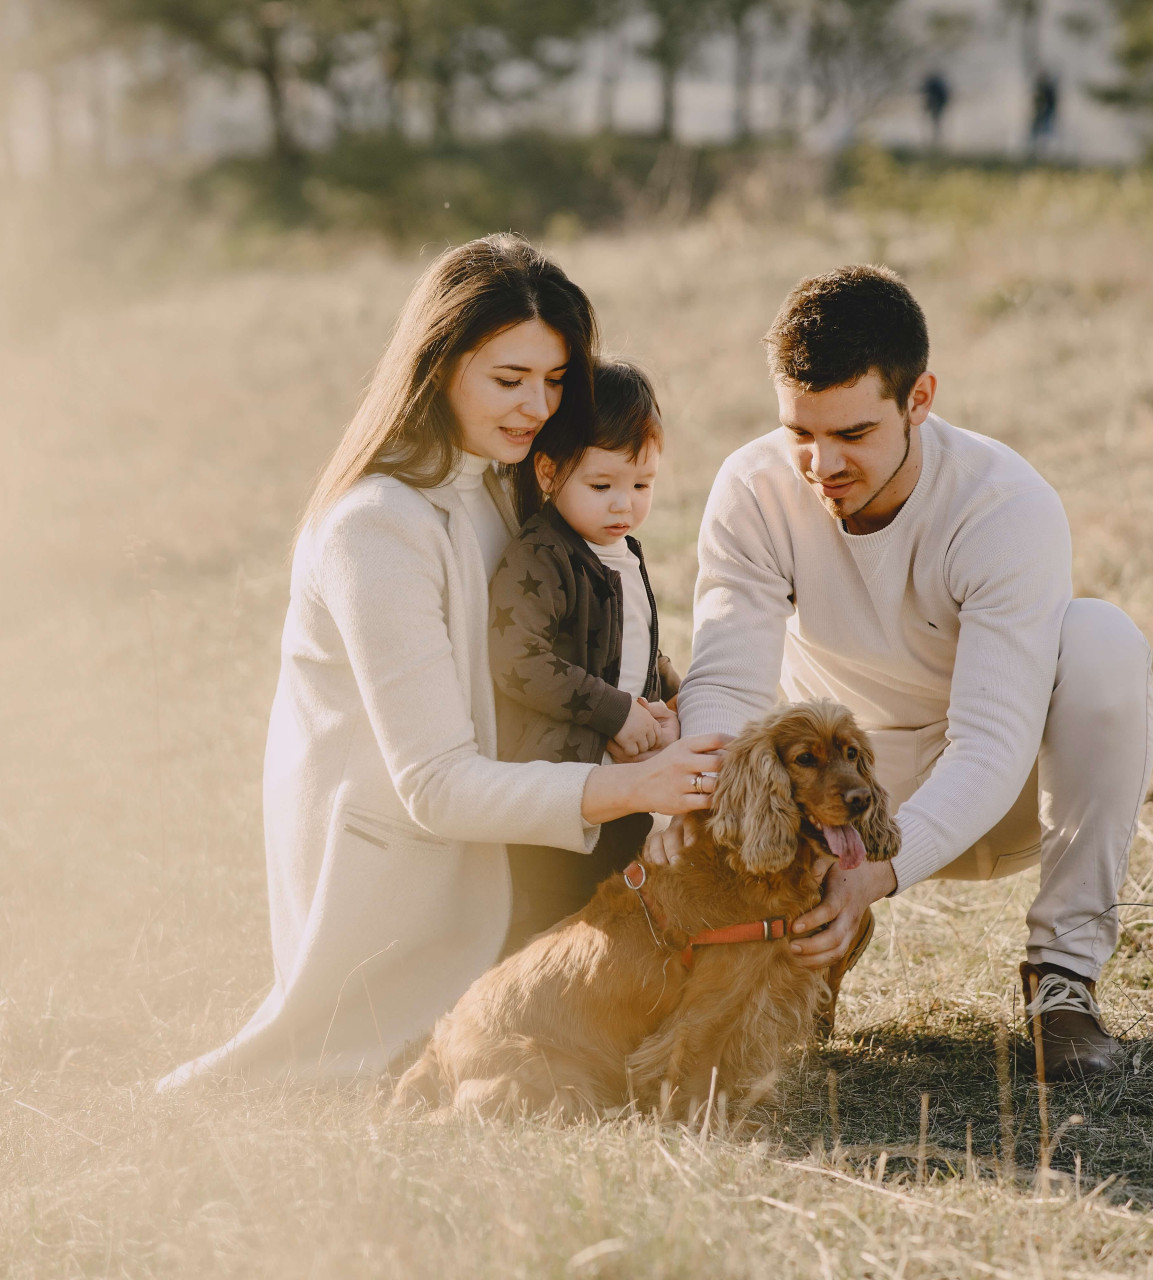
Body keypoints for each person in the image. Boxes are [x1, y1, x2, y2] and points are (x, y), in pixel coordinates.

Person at [156, 235, 726, 1091]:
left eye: (556, 379)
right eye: (509, 380)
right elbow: (435, 784)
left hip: (526, 847)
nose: (538, 405)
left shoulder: (509, 482)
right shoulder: (375, 526)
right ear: (439, 364)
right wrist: (638, 787)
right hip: (411, 888)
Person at [659, 265, 1153, 1079]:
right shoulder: (753, 488)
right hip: (834, 792)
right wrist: (729, 829)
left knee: (1104, 640)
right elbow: (726, 687)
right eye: (800, 433)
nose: (821, 465)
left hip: (1003, 796)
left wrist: (879, 874)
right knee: (720, 735)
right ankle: (794, 947)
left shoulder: (1001, 503)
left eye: (853, 435)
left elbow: (993, 744)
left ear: (919, 400)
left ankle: (1062, 984)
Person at [488, 360, 681, 955]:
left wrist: (672, 696)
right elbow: (518, 658)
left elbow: (632, 647)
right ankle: (521, 1027)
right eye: (602, 486)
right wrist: (617, 712)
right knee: (553, 922)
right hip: (558, 791)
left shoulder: (621, 548)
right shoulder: (542, 557)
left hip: (623, 783)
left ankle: (611, 1017)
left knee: (621, 908)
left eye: (642, 485)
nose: (624, 505)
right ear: (548, 472)